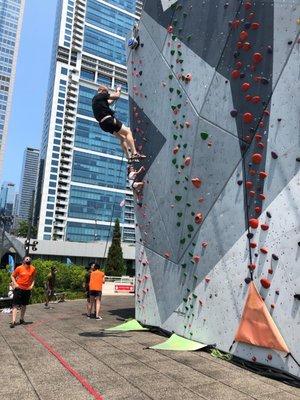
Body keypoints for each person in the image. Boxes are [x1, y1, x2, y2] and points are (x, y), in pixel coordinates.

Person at [92, 85, 146, 162]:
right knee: (128, 131)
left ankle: (129, 157)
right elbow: (116, 96)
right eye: (106, 92)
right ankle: (134, 153)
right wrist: (118, 90)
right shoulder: (100, 95)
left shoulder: (95, 100)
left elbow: (110, 102)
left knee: (122, 138)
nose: (107, 94)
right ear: (102, 91)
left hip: (103, 124)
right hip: (108, 120)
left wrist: (115, 93)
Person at [10, 256, 36, 328]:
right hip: (18, 289)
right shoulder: (19, 268)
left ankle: (22, 319)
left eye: (29, 262)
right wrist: (15, 284)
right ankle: (13, 321)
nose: (28, 263)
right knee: (15, 304)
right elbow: (12, 276)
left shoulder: (33, 268)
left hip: (27, 289)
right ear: (23, 261)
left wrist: (32, 285)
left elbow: (33, 278)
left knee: (24, 305)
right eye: (26, 261)